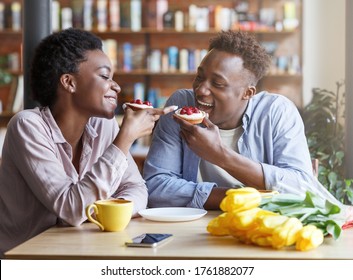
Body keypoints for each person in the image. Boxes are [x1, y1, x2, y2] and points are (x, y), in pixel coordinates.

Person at [0, 28, 174, 256]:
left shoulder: (103, 125)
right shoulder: (27, 126)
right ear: (69, 82)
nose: (116, 87)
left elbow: (136, 189)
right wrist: (124, 140)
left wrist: (101, 213)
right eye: (104, 76)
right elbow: (71, 209)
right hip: (26, 259)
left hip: (82, 249)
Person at [143, 30, 315, 210]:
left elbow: (301, 188)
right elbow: (155, 187)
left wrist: (220, 155)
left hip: (256, 227)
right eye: (200, 77)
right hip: (192, 227)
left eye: (217, 84)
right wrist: (239, 198)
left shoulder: (276, 112)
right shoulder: (180, 106)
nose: (201, 90)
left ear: (247, 93)